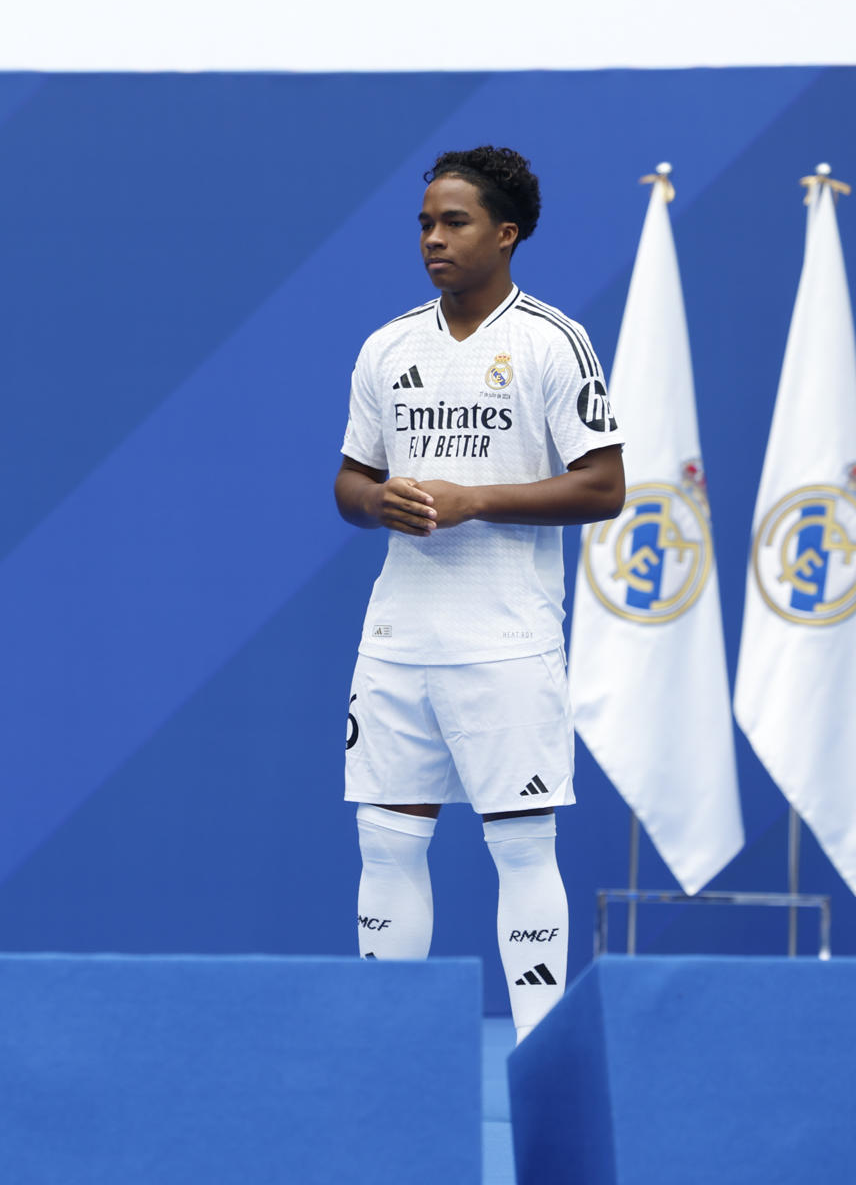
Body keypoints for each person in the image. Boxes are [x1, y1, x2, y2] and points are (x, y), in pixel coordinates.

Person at [333, 146, 624, 1043]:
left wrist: (474, 500)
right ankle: (390, 1055)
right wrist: (378, 501)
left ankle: (539, 1058)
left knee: (521, 846)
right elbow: (349, 481)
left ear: (507, 232)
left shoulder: (552, 342)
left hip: (506, 641)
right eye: (424, 222)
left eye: (453, 222)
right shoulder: (387, 347)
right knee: (386, 841)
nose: (433, 238)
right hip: (397, 638)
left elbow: (604, 487)